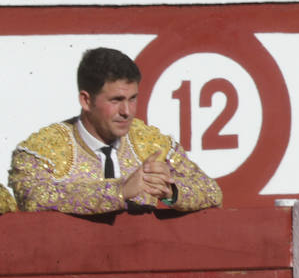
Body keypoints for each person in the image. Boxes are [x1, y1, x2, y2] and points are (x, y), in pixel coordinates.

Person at [9, 47, 222, 215]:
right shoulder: (42, 150)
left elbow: (212, 192)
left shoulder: (153, 144)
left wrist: (171, 192)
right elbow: (33, 197)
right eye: (116, 100)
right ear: (86, 100)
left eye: (132, 99)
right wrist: (119, 191)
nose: (127, 112)